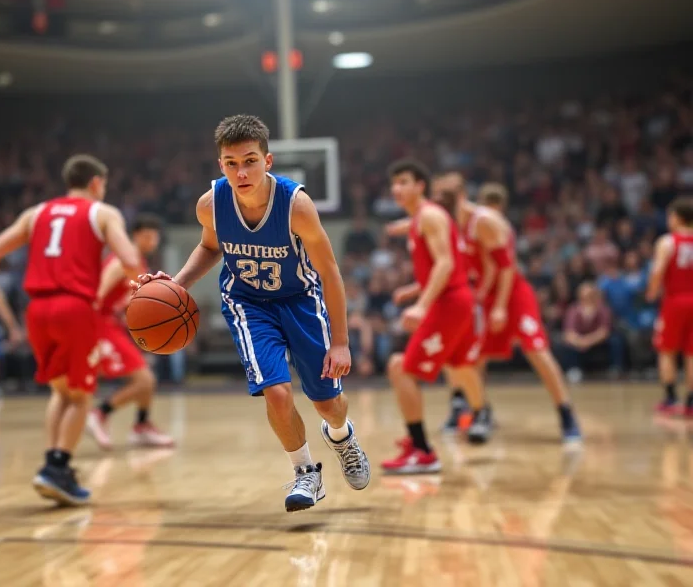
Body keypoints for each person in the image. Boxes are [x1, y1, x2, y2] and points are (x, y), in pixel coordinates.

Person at [134, 115, 369, 512]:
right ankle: (305, 473)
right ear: (220, 165)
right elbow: (211, 248)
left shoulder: (297, 206)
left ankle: (342, 436)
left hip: (300, 300)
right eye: (231, 163)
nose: (240, 172)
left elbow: (330, 272)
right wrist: (176, 285)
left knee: (328, 404)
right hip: (248, 304)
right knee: (276, 391)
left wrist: (342, 342)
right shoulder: (211, 204)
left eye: (249, 161)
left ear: (268, 161)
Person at [0, 154, 141, 506]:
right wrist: (142, 289)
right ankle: (57, 466)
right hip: (75, 308)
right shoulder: (103, 213)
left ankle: (54, 465)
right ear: (96, 182)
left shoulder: (36, 213)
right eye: (103, 185)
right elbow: (130, 260)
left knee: (60, 393)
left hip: (37, 311)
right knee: (80, 395)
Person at [445, 177, 582, 445]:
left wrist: (497, 305)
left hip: (513, 294)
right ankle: (477, 410)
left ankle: (566, 413)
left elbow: (505, 267)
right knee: (472, 358)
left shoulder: (485, 221)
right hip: (486, 295)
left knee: (537, 350)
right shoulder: (451, 222)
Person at [381, 160, 490, 476]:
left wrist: (421, 305)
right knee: (459, 366)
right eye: (394, 183)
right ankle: (481, 412)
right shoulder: (423, 218)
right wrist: (414, 290)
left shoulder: (428, 216)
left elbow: (444, 265)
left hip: (449, 304)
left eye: (403, 181)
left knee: (399, 368)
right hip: (457, 300)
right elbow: (447, 264)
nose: (396, 189)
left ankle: (422, 450)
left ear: (420, 185)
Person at [87, 214, 174, 449]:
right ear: (135, 236)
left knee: (145, 380)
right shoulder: (122, 260)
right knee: (144, 380)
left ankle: (142, 426)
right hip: (100, 325)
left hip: (113, 325)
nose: (151, 241)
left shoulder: (139, 263)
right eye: (147, 236)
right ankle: (99, 414)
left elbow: (123, 299)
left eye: (154, 237)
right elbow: (97, 294)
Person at [646, 196, 693, 418]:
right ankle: (691, 402)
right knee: (692, 353)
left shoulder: (668, 242)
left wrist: (652, 291)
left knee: (667, 350)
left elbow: (658, 270)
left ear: (677, 217)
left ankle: (671, 398)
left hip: (675, 301)